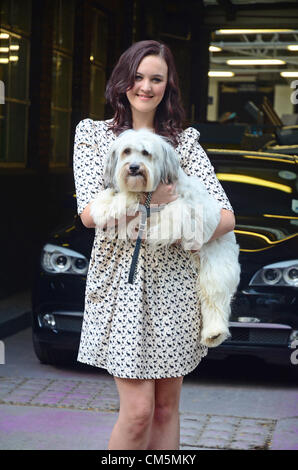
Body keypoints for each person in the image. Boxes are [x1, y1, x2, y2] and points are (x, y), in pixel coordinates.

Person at [73, 40, 235, 450]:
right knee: (139, 411)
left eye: (156, 79)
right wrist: (152, 199)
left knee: (166, 408)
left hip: (175, 285)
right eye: (138, 76)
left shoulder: (184, 144)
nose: (146, 86)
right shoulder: (94, 136)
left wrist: (183, 218)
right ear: (122, 81)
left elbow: (227, 217)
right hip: (121, 285)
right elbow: (90, 214)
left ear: (167, 86)